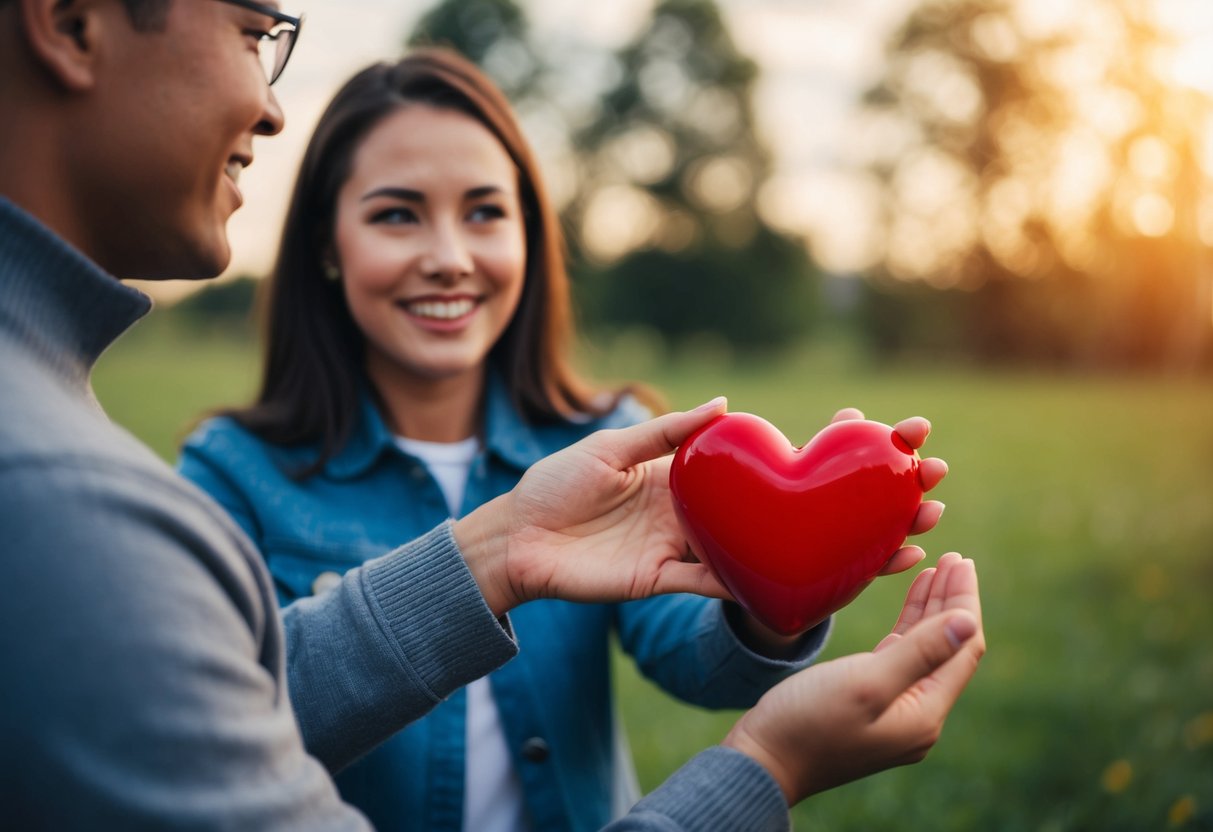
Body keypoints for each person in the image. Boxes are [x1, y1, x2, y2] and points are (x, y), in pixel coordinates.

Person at [0, 1, 986, 830]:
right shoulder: (226, 473)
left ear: (531, 236)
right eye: (396, 214)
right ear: (327, 247)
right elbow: (232, 708)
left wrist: (791, 587)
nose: (449, 255)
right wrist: (769, 765)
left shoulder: (603, 441)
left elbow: (694, 648)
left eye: (485, 211)